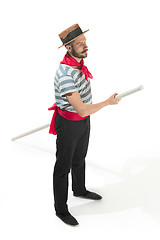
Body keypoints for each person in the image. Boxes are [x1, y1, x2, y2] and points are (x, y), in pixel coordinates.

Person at [49, 24, 121, 226]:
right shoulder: (64, 74)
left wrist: (91, 110)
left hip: (83, 121)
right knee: (63, 167)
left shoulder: (79, 64)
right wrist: (107, 102)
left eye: (85, 41)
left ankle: (79, 189)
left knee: (79, 158)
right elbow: (80, 109)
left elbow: (84, 111)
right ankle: (60, 210)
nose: (85, 45)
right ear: (68, 48)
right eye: (79, 43)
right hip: (69, 123)